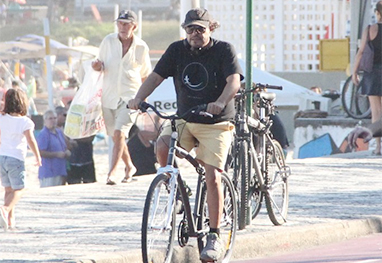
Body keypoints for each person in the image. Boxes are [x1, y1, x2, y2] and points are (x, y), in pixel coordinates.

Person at [128, 8, 243, 261]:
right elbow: (156, 77)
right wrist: (138, 98)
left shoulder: (224, 50)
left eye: (199, 29)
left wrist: (221, 102)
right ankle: (177, 194)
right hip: (185, 119)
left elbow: (233, 81)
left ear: (210, 28)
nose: (194, 33)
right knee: (162, 145)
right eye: (190, 29)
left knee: (212, 176)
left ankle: (214, 235)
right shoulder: (176, 50)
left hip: (216, 122)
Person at [92, 9, 152, 185]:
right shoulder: (108, 41)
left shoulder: (141, 47)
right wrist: (96, 66)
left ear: (134, 26)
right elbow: (99, 64)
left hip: (131, 98)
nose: (122, 27)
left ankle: (111, 173)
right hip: (108, 96)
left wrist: (144, 98)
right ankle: (130, 166)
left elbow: (145, 75)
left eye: (126, 24)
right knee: (116, 136)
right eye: (120, 23)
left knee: (119, 133)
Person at [0, 88, 42, 231]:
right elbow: (31, 140)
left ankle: (9, 220)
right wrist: (37, 156)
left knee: (8, 189)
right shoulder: (25, 122)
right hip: (16, 158)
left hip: (2, 157)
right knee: (20, 189)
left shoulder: (2, 118)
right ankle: (5, 209)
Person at [352, 1, 382, 155]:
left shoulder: (370, 29)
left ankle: (378, 147)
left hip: (372, 73)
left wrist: (354, 71)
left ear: (377, 13)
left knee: (376, 112)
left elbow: (361, 52)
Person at [55, 106, 97, 184]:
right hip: (72, 162)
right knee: (73, 184)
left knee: (89, 184)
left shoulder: (87, 122)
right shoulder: (62, 127)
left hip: (87, 160)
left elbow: (91, 136)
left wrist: (76, 138)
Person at [37, 110, 70, 188]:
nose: (53, 120)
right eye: (50, 118)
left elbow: (65, 146)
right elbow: (40, 152)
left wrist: (67, 151)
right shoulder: (43, 134)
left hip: (60, 170)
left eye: (55, 118)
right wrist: (56, 154)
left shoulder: (59, 132)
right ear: (45, 120)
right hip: (49, 172)